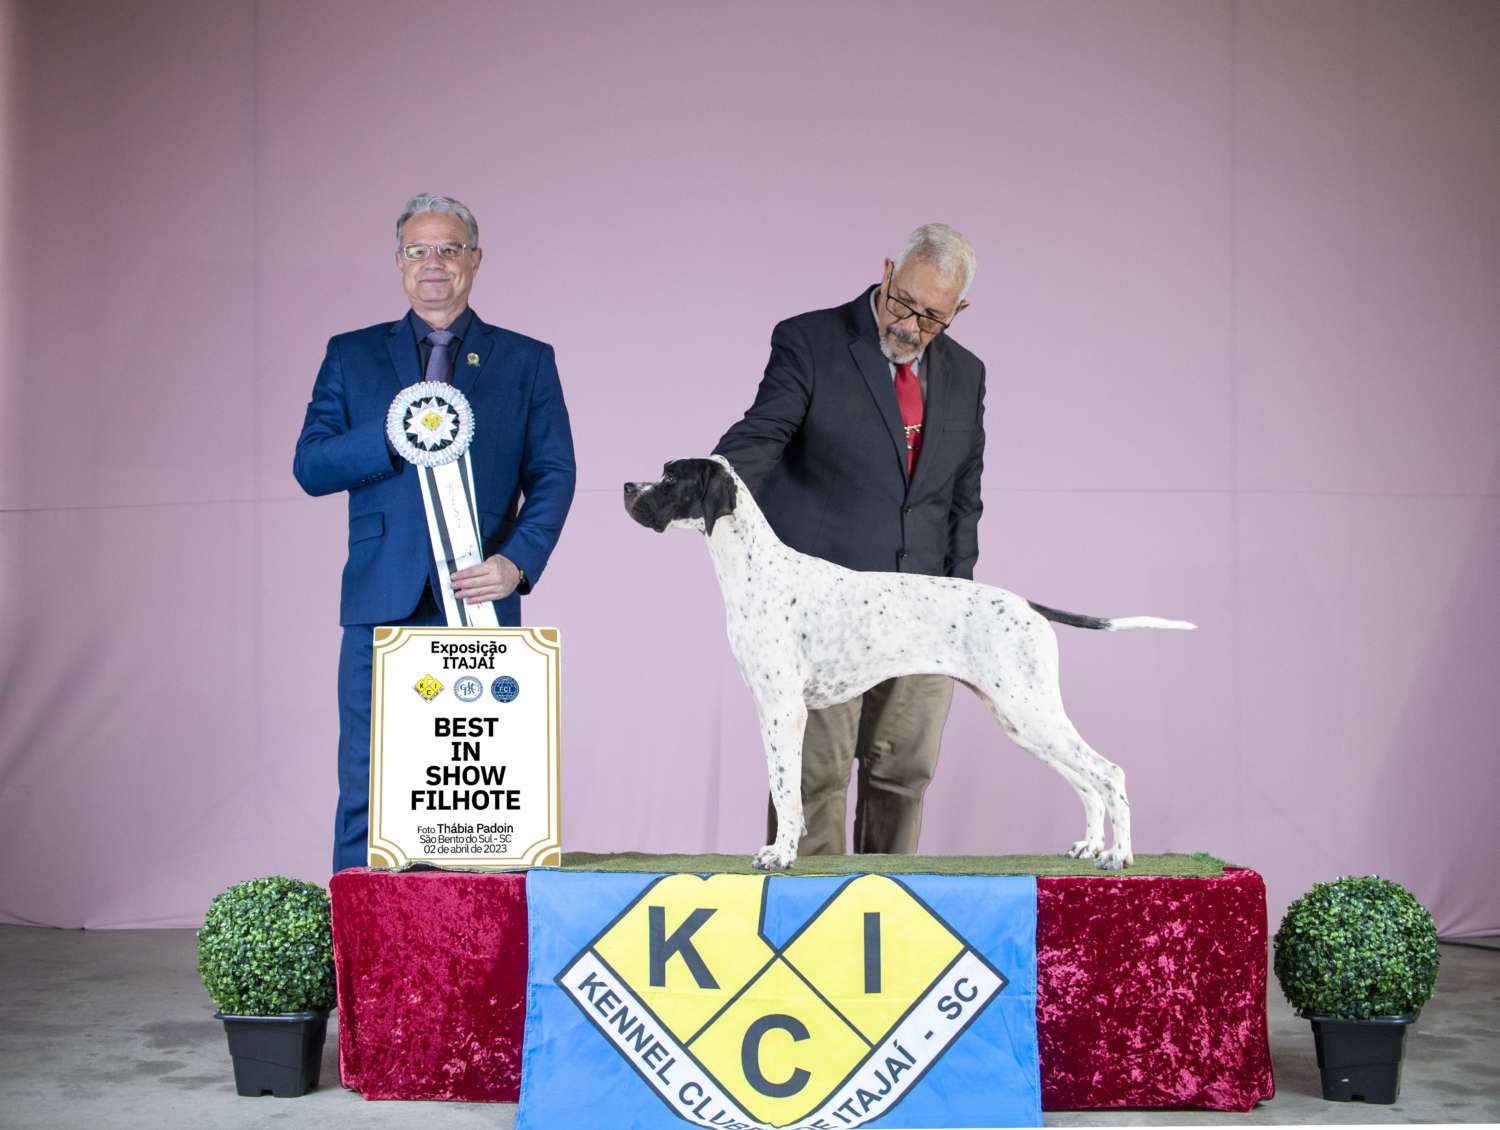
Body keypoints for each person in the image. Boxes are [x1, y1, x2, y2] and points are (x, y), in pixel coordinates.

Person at [294, 193, 576, 872]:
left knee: (481, 795)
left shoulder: (526, 359)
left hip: (479, 601)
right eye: (418, 251)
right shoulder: (350, 355)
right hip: (380, 601)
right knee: (367, 785)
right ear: (398, 264)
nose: (434, 264)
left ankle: (481, 956)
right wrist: (392, 433)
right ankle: (356, 960)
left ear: (474, 260)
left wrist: (517, 561)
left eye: (449, 249)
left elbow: (556, 473)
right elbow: (311, 465)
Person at [715, 223, 984, 857]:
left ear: (959, 312)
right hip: (822, 609)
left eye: (932, 318)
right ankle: (808, 933)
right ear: (888, 271)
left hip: (923, 609)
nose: (909, 326)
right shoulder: (809, 340)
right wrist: (710, 484)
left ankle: (891, 923)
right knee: (814, 780)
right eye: (901, 302)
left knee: (903, 777)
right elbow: (764, 431)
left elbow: (962, 498)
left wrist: (958, 606)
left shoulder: (968, 374)